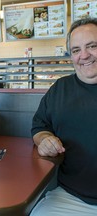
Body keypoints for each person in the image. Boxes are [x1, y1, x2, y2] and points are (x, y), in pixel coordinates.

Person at [30, 17, 97, 216]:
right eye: (76, 50)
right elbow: (38, 126)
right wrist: (44, 139)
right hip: (71, 198)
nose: (84, 56)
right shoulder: (60, 88)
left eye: (92, 46)